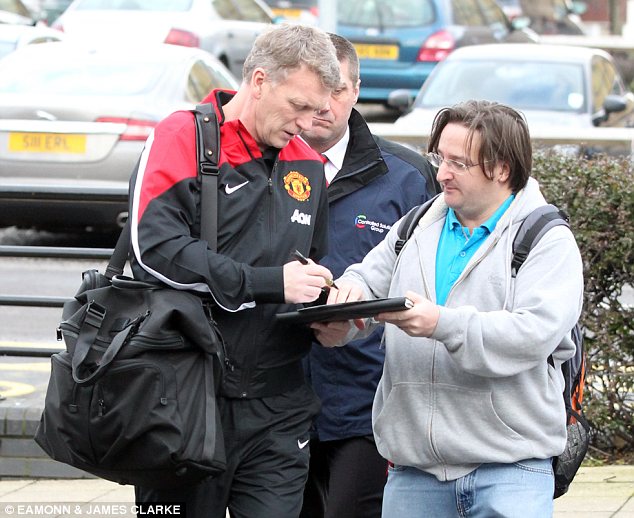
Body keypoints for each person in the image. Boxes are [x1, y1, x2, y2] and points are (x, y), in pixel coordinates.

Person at [314, 100, 584, 517]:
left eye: (459, 163)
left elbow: (532, 334)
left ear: (502, 169)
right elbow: (366, 279)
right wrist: (343, 312)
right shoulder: (415, 225)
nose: (441, 173)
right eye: (439, 157)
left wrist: (441, 323)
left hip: (511, 469)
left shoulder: (546, 238)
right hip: (413, 472)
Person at [130, 24, 341, 518]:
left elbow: (312, 265)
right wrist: (268, 284)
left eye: (317, 111)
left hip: (279, 405)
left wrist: (331, 314)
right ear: (261, 80)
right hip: (185, 398)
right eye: (299, 105)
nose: (309, 123)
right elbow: (155, 247)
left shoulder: (308, 165)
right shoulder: (183, 134)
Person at [299, 34, 439, 518]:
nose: (321, 103)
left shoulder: (406, 175)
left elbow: (432, 281)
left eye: (335, 88)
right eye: (312, 88)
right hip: (275, 401)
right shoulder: (259, 168)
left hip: (368, 401)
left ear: (357, 90)